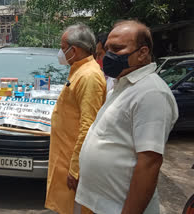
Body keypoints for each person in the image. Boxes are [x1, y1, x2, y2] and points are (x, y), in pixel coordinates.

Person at [75, 20, 179, 214]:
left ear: (142, 53)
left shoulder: (151, 93)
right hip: (99, 204)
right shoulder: (122, 85)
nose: (108, 56)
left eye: (117, 49)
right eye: (107, 49)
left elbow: (149, 163)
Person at [45, 23, 107, 214]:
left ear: (76, 49)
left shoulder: (89, 76)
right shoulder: (79, 71)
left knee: (77, 208)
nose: (61, 53)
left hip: (74, 164)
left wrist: (76, 169)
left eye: (63, 48)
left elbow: (88, 126)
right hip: (64, 157)